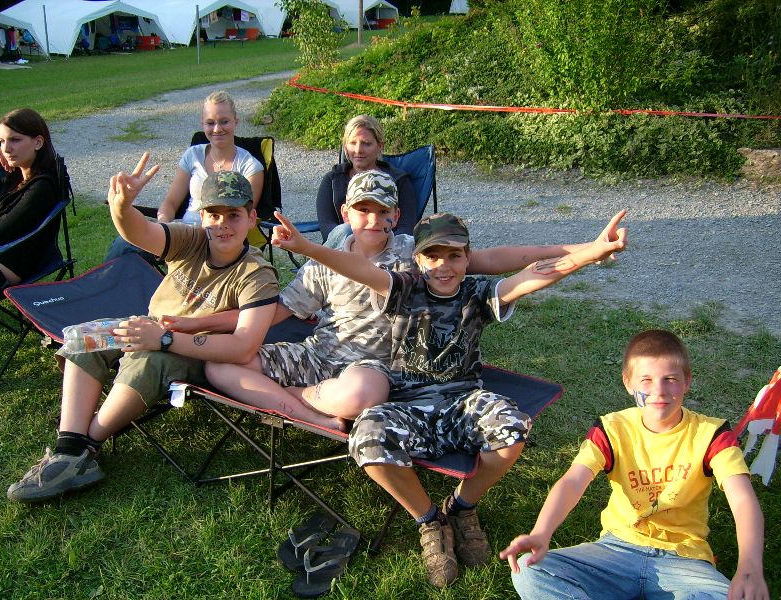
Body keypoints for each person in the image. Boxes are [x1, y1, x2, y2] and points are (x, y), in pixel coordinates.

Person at [268, 205, 627, 587]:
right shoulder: (403, 289)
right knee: (367, 438)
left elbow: (536, 273)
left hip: (462, 402)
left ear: (467, 259)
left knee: (512, 428)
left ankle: (461, 505)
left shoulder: (479, 293)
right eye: (433, 256)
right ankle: (429, 520)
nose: (444, 266)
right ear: (418, 259)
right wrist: (307, 248)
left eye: (454, 256)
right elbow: (357, 268)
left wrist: (592, 251)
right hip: (405, 404)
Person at [203, 170, 615, 430]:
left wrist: (585, 249)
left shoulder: (414, 254)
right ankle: (308, 413)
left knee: (361, 395)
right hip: (318, 355)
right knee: (219, 366)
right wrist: (200, 325)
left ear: (396, 216)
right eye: (363, 209)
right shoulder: (325, 259)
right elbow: (273, 313)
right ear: (346, 213)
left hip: (374, 368)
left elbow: (495, 260)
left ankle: (295, 402)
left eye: (383, 211)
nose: (373, 219)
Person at [6, 157, 279, 503]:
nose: (222, 224)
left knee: (149, 361)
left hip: (198, 352)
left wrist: (164, 339)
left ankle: (85, 446)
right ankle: (69, 449)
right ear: (202, 217)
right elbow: (140, 233)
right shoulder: (192, 239)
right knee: (87, 337)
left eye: (234, 215)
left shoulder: (257, 274)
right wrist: (122, 207)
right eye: (214, 214)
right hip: (154, 326)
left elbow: (243, 347)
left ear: (251, 218)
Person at [500, 329, 768, 600]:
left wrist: (750, 566)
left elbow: (742, 499)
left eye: (670, 379)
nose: (658, 391)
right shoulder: (612, 428)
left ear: (687, 381)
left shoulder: (712, 434)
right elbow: (573, 481)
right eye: (646, 380)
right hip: (616, 551)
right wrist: (541, 533)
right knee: (530, 571)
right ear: (628, 383)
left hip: (684, 559)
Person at [105, 90, 265, 261]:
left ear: (236, 122)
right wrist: (164, 225)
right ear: (203, 124)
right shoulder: (193, 155)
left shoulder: (250, 166)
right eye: (210, 123)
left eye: (224, 121)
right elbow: (170, 202)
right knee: (122, 246)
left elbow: (243, 218)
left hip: (217, 237)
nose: (217, 129)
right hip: (181, 231)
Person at [0, 108, 61, 305]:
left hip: (5, 265)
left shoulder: (41, 188)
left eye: (15, 140)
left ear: (38, 142)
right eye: (1, 141)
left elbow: (0, 234)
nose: (6, 149)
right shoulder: (18, 178)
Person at [316, 114, 418, 245]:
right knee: (345, 229)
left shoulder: (399, 181)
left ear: (380, 146)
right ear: (345, 146)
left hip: (387, 248)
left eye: (366, 144)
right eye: (353, 143)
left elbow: (406, 228)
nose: (358, 150)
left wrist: (374, 244)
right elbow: (327, 227)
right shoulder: (332, 180)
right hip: (341, 248)